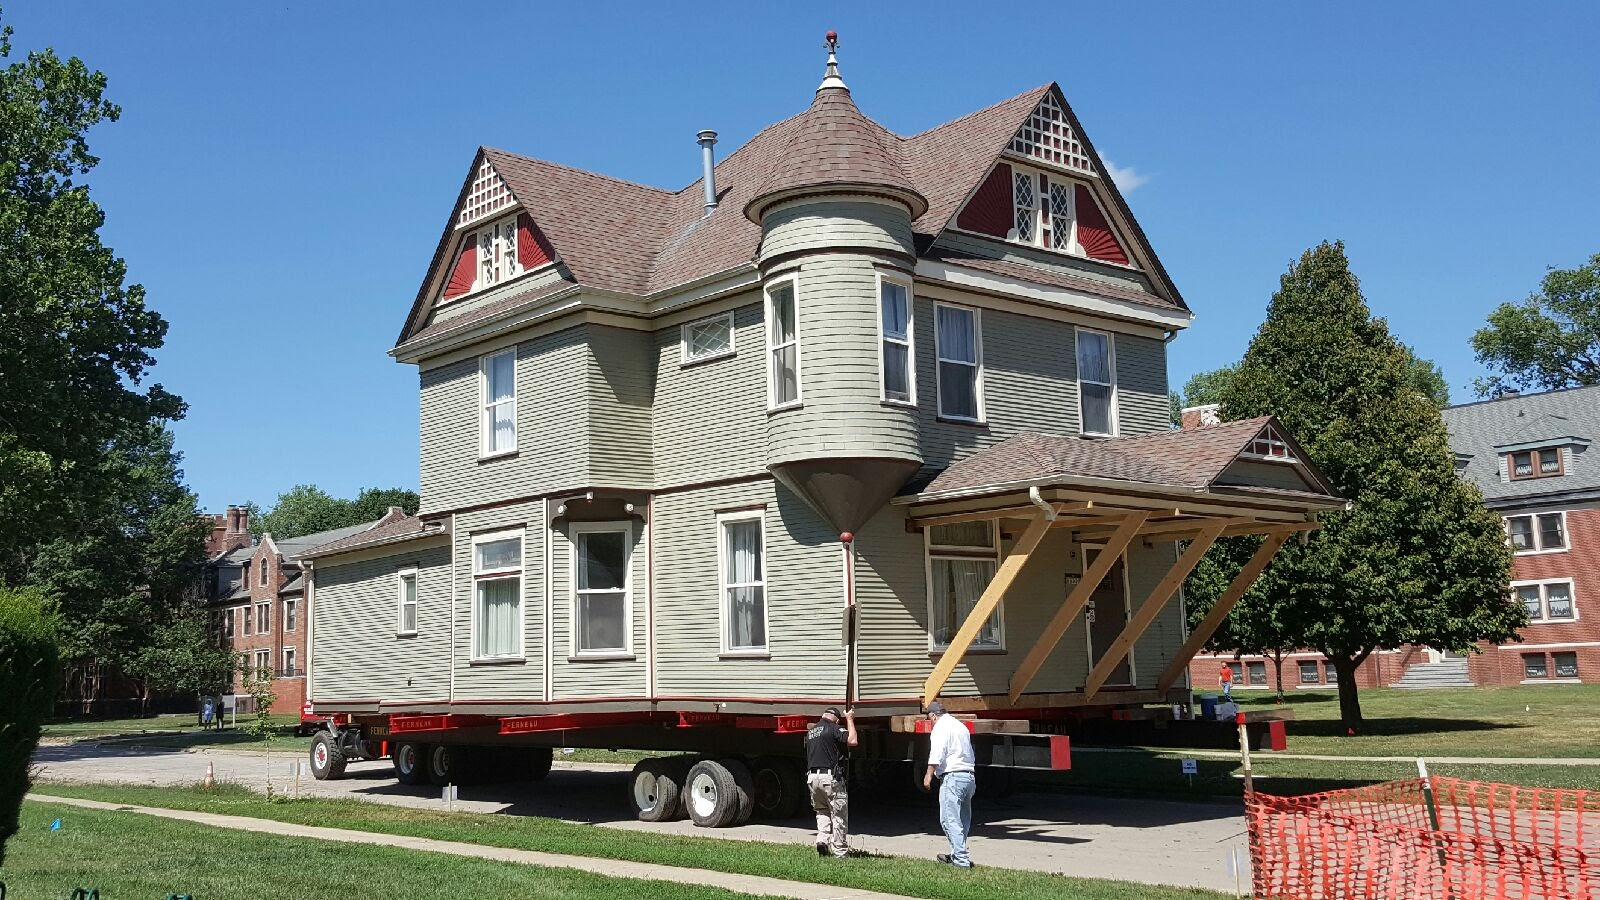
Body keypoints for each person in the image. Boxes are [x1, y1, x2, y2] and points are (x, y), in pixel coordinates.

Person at [922, 700, 977, 868]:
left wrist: (928, 775)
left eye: (929, 719)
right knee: (963, 820)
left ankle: (961, 860)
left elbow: (937, 752)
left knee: (949, 819)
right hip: (969, 776)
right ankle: (956, 854)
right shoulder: (960, 726)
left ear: (933, 716)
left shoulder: (940, 727)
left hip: (952, 777)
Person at [804, 706, 857, 858]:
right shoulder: (833, 728)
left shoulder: (811, 732)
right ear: (836, 720)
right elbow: (852, 740)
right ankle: (840, 852)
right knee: (838, 814)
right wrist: (850, 719)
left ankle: (822, 840)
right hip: (829, 778)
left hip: (812, 778)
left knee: (822, 811)